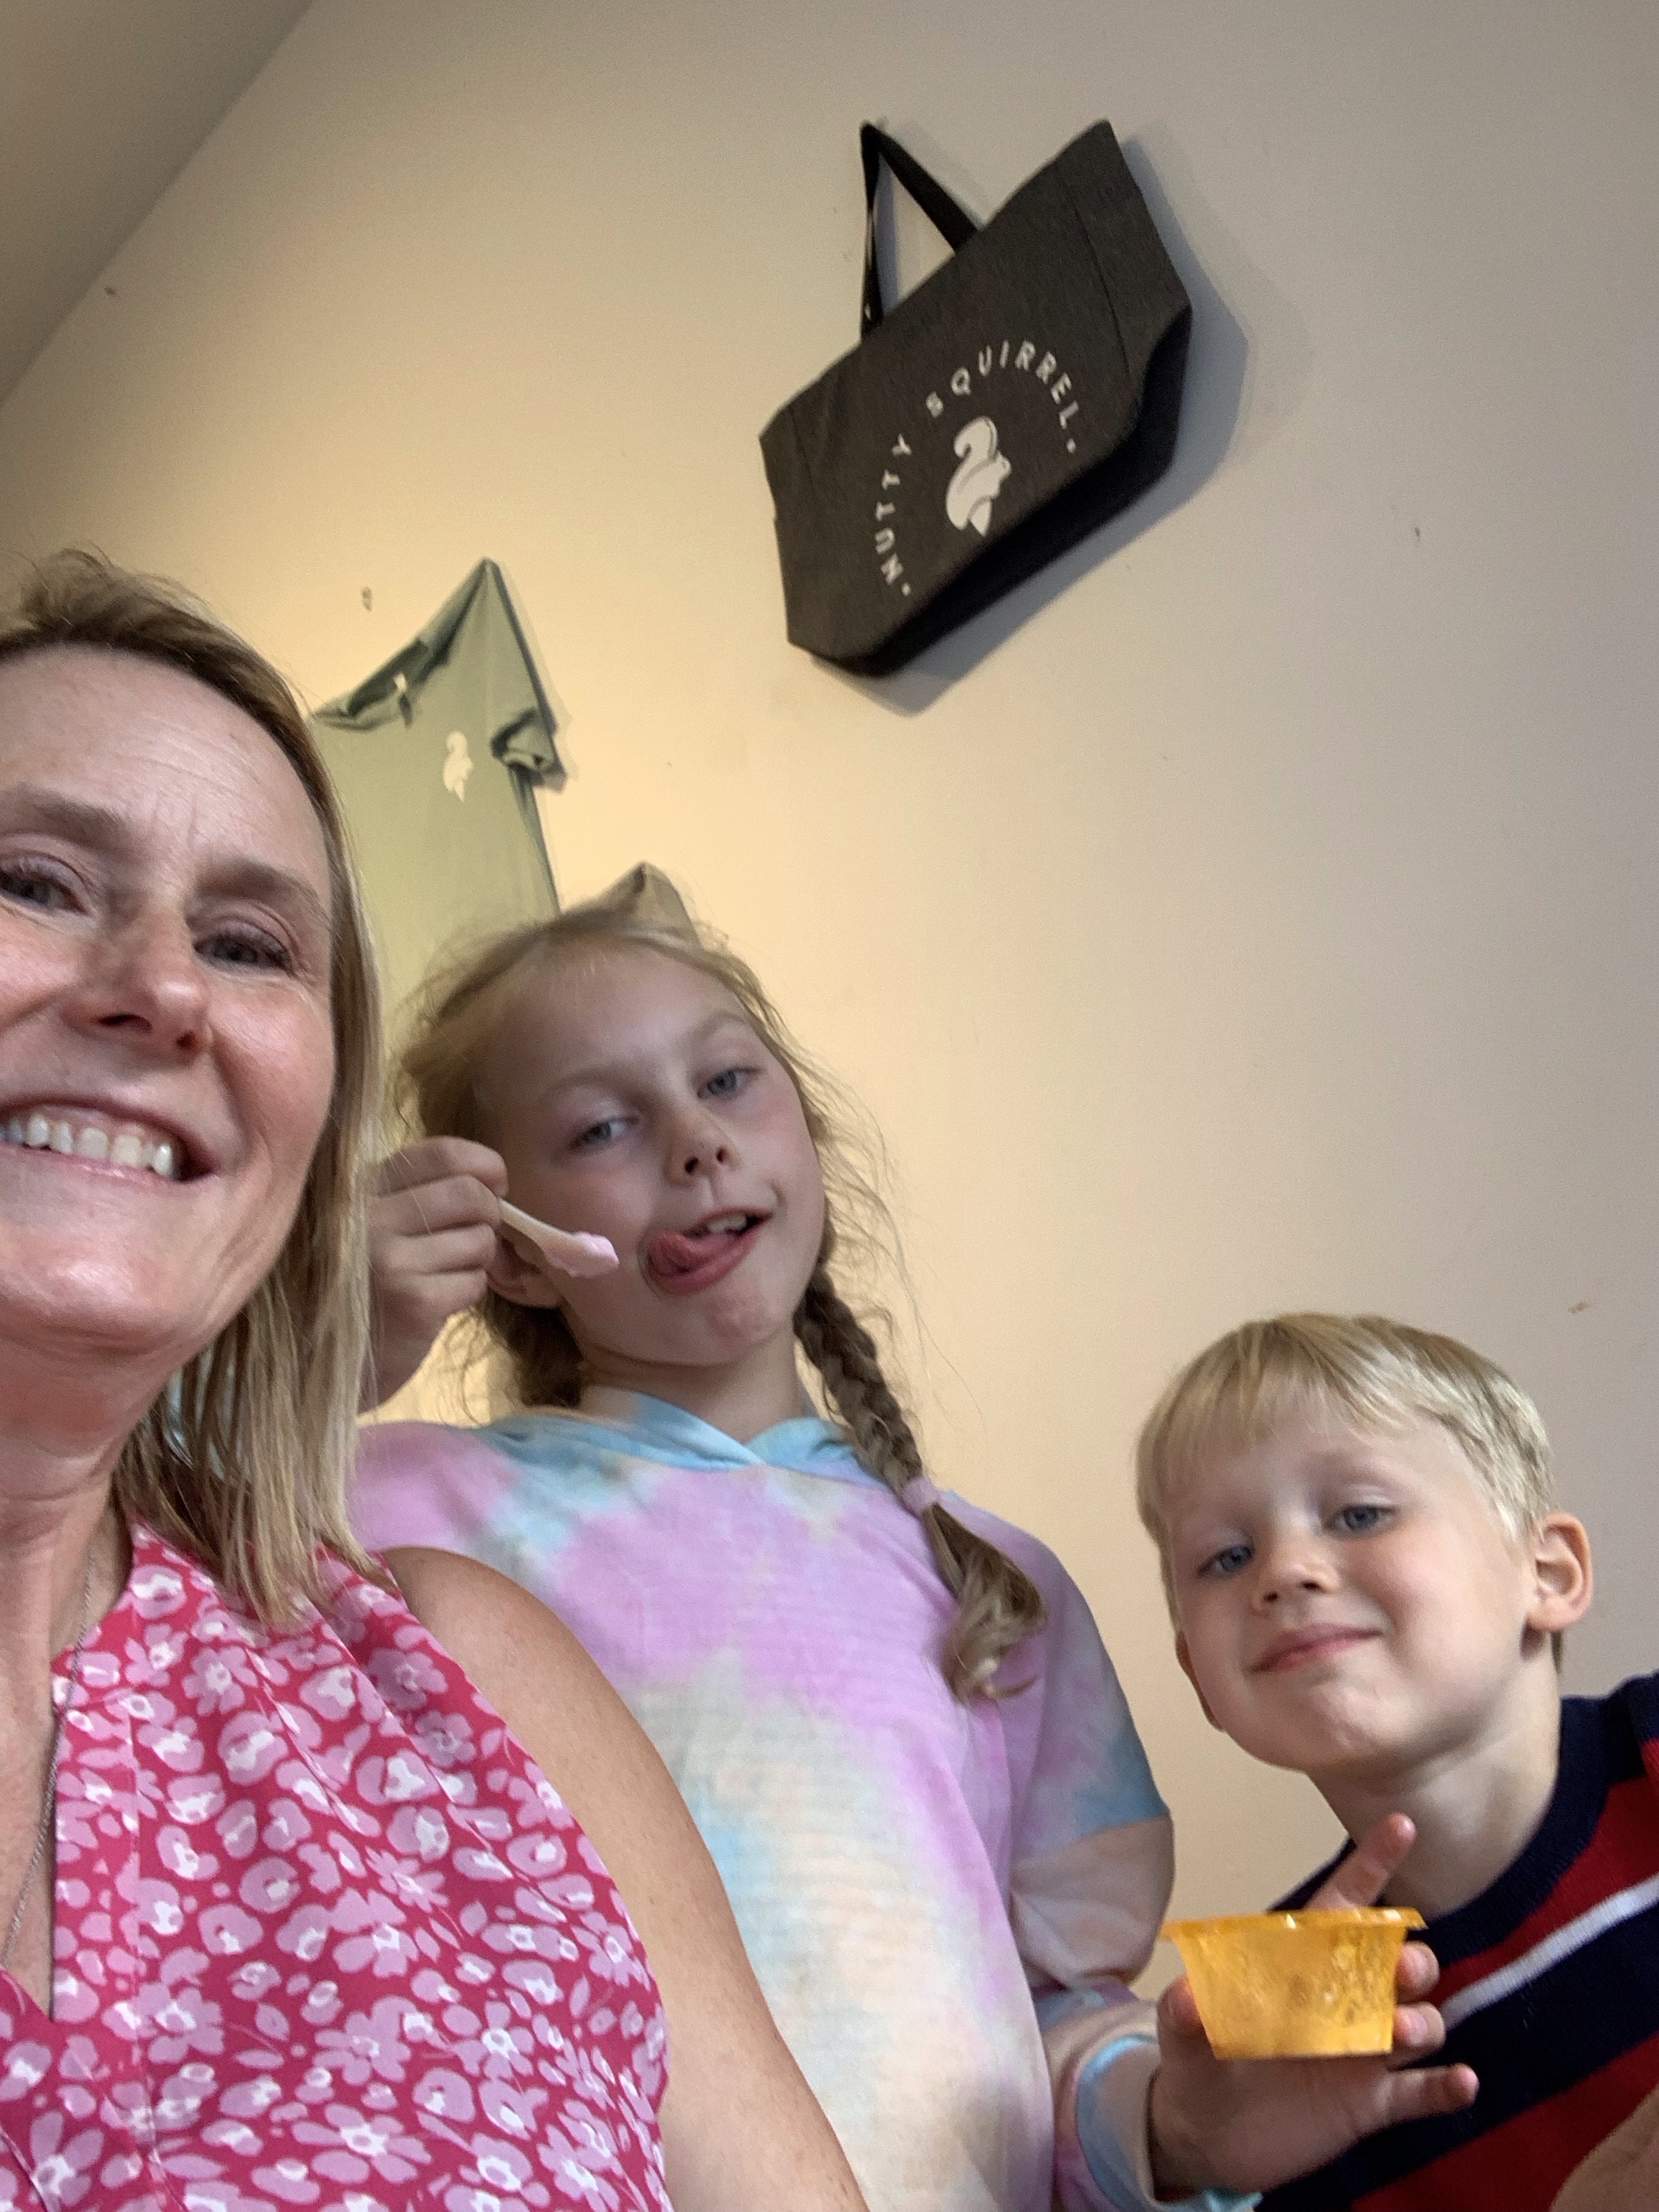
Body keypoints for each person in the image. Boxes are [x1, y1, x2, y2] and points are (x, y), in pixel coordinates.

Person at [355, 884, 1466, 2212]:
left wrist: (1183, 2125)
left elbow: (1054, 2024)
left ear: (808, 1136)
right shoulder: (392, 1507)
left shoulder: (993, 1580)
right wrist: (319, 1340)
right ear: (514, 1253)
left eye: (727, 1080)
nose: (698, 1143)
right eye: (603, 1125)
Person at [0, 552, 866, 2212]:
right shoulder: (431, 1487)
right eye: (33, 881)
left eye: (247, 942)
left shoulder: (451, 1669)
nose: (166, 988)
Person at [1134, 1311, 1659, 2211]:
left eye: (1359, 1514)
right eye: (1227, 1556)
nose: (1284, 1571)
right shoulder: (1274, 2037)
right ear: (1199, 1679)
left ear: (1548, 1573)